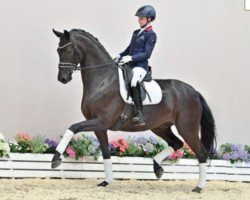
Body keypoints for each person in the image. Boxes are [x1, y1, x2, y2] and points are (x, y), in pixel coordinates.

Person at [114, 5, 157, 126]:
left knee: (133, 81)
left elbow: (147, 54)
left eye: (142, 18)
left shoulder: (151, 35)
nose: (139, 20)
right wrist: (119, 55)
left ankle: (139, 114)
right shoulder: (136, 32)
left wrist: (131, 58)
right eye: (139, 18)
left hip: (140, 66)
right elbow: (129, 49)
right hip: (130, 63)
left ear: (149, 19)